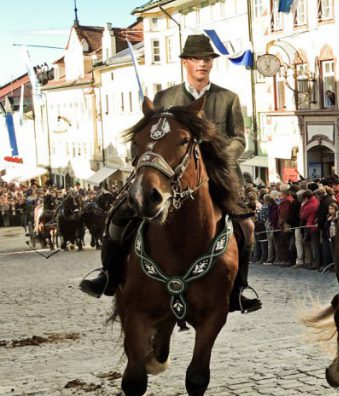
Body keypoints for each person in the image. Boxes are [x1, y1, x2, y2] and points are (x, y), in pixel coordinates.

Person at [79, 34, 262, 313]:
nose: (202, 64)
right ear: (186, 62)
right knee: (120, 216)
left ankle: (240, 288)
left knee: (247, 228)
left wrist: (219, 156)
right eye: (196, 59)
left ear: (212, 64)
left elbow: (239, 138)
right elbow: (152, 133)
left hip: (219, 175)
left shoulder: (228, 98)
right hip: (171, 175)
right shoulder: (167, 98)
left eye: (207, 59)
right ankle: (109, 275)